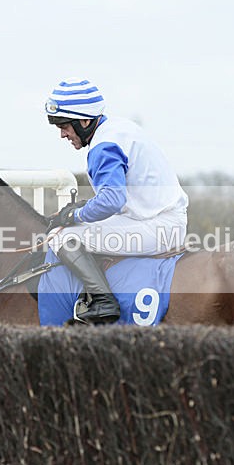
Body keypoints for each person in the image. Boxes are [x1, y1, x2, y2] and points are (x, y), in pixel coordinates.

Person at [44, 77, 189, 324]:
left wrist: (75, 215)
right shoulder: (119, 128)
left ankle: (103, 301)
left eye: (64, 125)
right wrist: (82, 208)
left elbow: (111, 200)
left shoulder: (102, 146)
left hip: (156, 228)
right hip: (162, 220)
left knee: (60, 236)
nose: (62, 134)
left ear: (85, 121)